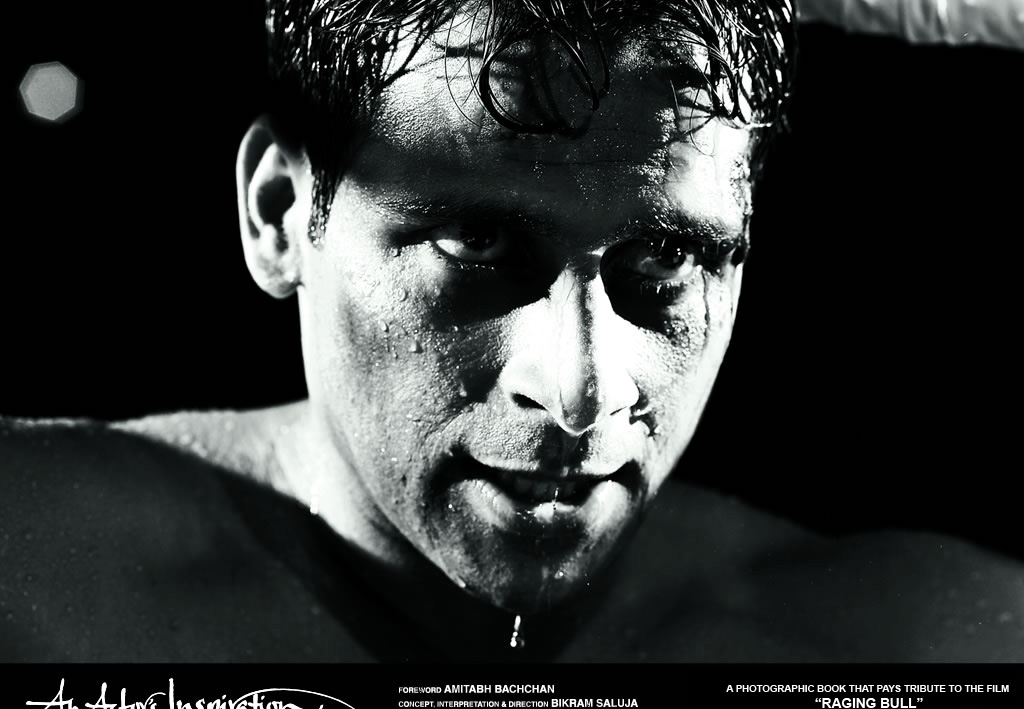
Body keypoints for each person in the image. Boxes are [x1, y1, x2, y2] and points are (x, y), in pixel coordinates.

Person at [2, 0, 1021, 663]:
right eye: (478, 242)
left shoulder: (921, 651)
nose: (581, 391)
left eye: (666, 258)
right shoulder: (33, 584)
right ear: (278, 214)